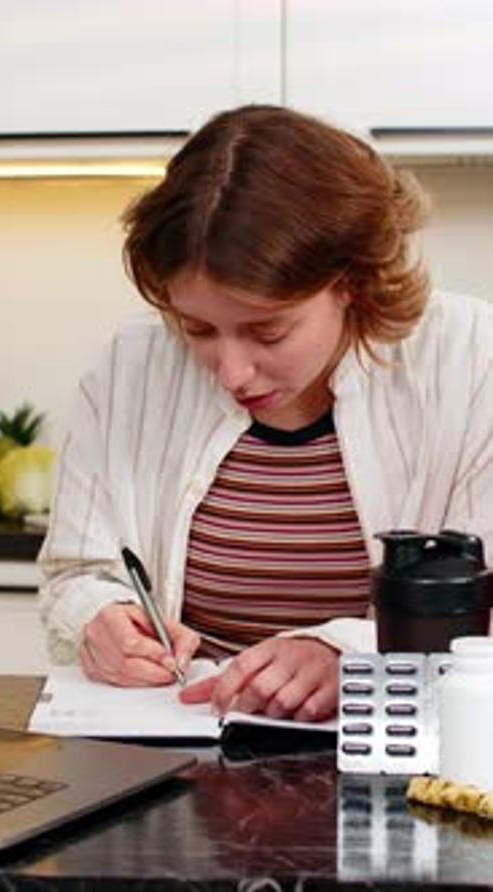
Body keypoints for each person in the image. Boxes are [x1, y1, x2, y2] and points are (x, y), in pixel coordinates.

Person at [38, 104, 492, 723]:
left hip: (402, 755)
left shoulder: (471, 359)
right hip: (176, 752)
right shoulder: (130, 366)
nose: (231, 372)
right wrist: (99, 619)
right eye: (196, 328)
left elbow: (481, 607)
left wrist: (350, 652)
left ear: (350, 282)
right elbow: (75, 573)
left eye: (269, 332)